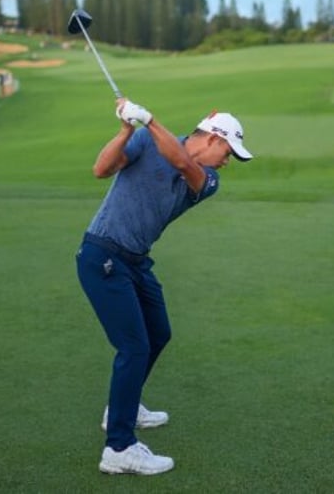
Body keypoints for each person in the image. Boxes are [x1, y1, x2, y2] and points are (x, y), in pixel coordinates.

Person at [76, 98, 253, 475]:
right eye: (227, 152)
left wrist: (148, 120)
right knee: (134, 347)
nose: (226, 162)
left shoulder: (207, 180)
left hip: (135, 262)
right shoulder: (144, 140)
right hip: (103, 253)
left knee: (159, 333)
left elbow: (181, 162)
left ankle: (122, 407)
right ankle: (119, 448)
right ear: (212, 138)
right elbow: (101, 169)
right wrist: (127, 129)